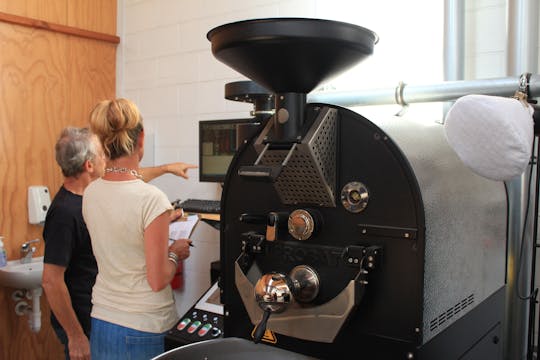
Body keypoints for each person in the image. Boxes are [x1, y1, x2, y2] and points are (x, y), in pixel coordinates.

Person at [42, 127, 196, 360]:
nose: (106, 157)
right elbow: (51, 281)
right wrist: (75, 336)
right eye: (101, 154)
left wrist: (164, 174)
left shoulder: (92, 194)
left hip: (103, 319)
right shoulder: (66, 213)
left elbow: (127, 178)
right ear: (89, 166)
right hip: (86, 324)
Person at [82, 98, 192, 360]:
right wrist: (175, 252)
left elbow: (122, 210)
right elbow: (157, 279)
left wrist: (161, 223)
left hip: (102, 321)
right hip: (143, 327)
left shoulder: (91, 192)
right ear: (141, 139)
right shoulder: (151, 199)